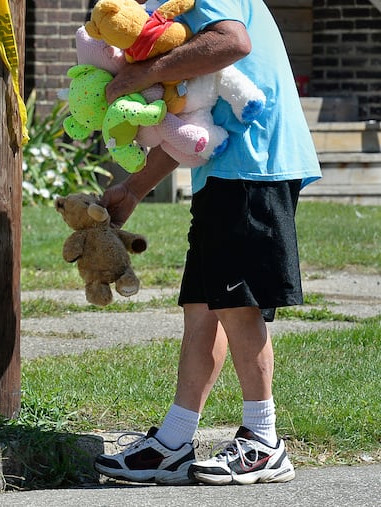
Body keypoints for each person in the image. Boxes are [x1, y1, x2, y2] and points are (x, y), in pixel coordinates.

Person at [92, 0, 322, 486]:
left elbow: (233, 42)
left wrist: (143, 74)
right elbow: (193, 117)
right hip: (224, 165)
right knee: (203, 307)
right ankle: (173, 444)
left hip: (254, 162)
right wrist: (133, 188)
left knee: (239, 303)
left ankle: (264, 441)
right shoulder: (166, 12)